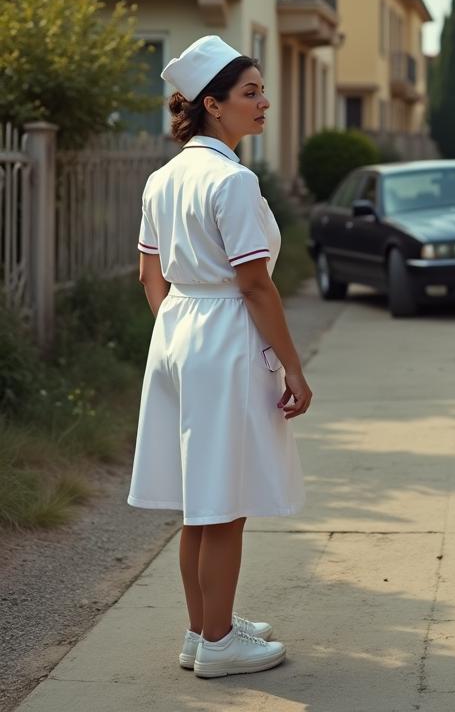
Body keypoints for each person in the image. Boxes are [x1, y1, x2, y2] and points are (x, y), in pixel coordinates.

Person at [128, 35, 312, 679]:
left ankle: (201, 630)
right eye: (250, 93)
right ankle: (217, 645)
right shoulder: (232, 180)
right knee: (225, 501)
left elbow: (149, 274)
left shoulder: (163, 177)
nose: (263, 103)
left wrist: (179, 331)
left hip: (179, 331)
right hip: (226, 334)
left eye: (262, 90)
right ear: (213, 104)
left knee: (199, 499)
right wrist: (292, 364)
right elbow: (255, 283)